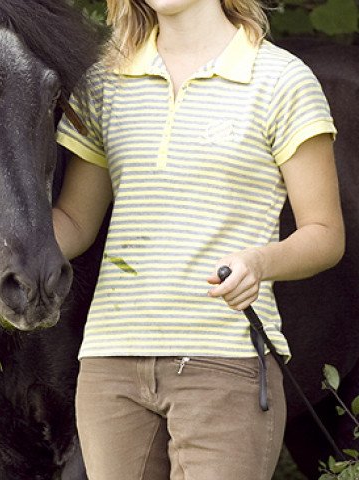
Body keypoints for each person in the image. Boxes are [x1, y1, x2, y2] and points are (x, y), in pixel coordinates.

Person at [50, 0, 345, 479]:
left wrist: (261, 262)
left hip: (225, 362)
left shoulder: (282, 79)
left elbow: (325, 235)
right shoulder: (104, 82)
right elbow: (74, 223)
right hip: (112, 365)